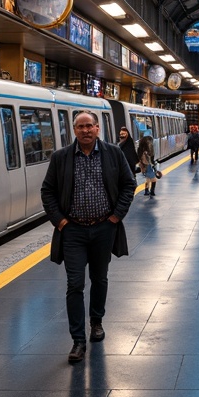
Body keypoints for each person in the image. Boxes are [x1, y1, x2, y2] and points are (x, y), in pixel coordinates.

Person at [40, 111, 135, 364]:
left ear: (97, 129)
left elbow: (129, 184)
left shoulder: (113, 154)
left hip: (104, 227)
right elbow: (47, 191)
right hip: (73, 231)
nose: (85, 131)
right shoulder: (61, 158)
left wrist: (116, 216)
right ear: (74, 130)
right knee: (75, 284)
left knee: (99, 278)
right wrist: (60, 221)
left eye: (89, 126)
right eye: (80, 127)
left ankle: (96, 322)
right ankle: (78, 341)